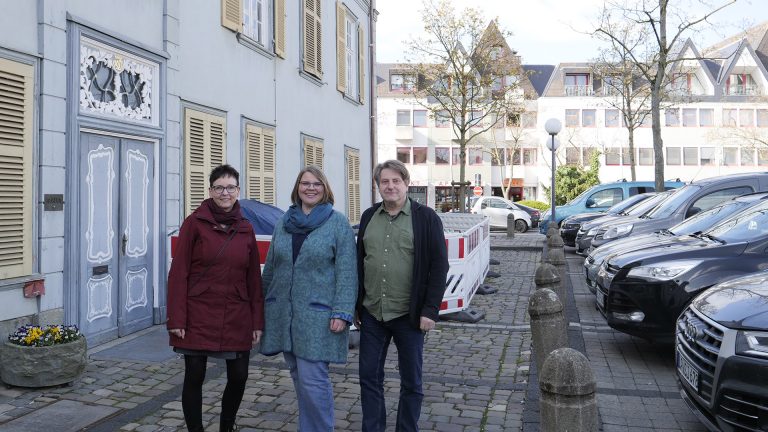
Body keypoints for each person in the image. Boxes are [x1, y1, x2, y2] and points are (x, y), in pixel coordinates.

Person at [260, 165, 358, 432]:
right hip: (285, 315)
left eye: (316, 184)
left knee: (313, 380)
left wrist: (342, 312)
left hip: (319, 316)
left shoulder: (337, 223)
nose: (310, 188)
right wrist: (259, 307)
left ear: (325, 188)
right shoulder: (284, 222)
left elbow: (347, 271)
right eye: (305, 183)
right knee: (298, 377)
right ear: (297, 188)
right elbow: (271, 268)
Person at [167, 164, 264, 432]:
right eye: (219, 188)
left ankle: (226, 426)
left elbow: (253, 279)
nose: (225, 193)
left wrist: (257, 321)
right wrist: (176, 318)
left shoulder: (245, 227)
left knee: (239, 375)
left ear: (238, 191)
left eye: (230, 187)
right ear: (210, 191)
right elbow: (179, 273)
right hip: (198, 312)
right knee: (195, 375)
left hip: (236, 313)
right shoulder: (194, 223)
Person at [355, 159, 449, 432]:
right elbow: (360, 261)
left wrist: (430, 310)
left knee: (412, 382)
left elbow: (439, 266)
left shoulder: (426, 218)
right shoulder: (369, 216)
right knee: (369, 377)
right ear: (378, 186)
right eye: (385, 181)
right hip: (373, 312)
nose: (390, 186)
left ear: (407, 183)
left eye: (396, 180)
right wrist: (356, 305)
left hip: (409, 315)